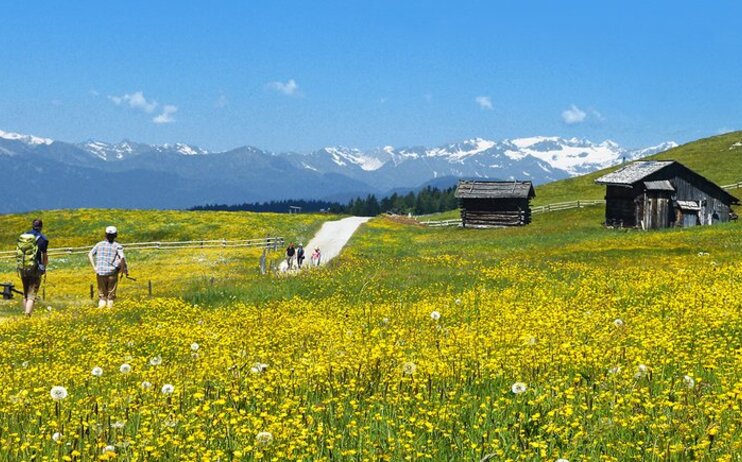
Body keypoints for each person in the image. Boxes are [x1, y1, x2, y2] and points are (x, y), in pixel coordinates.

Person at [88, 226, 127, 308]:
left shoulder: (99, 244)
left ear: (105, 235)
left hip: (100, 273)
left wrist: (94, 267)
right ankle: (109, 311)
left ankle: (101, 311)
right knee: (110, 295)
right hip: (112, 273)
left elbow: (90, 254)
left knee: (102, 296)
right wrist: (123, 270)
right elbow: (122, 258)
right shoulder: (117, 246)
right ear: (115, 235)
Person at [16, 219, 49, 317]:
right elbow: (44, 256)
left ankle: (25, 313)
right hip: (35, 268)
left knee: (25, 292)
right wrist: (44, 267)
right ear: (41, 227)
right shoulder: (42, 238)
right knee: (32, 294)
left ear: (32, 225)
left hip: (23, 267)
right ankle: (27, 316)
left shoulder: (24, 237)